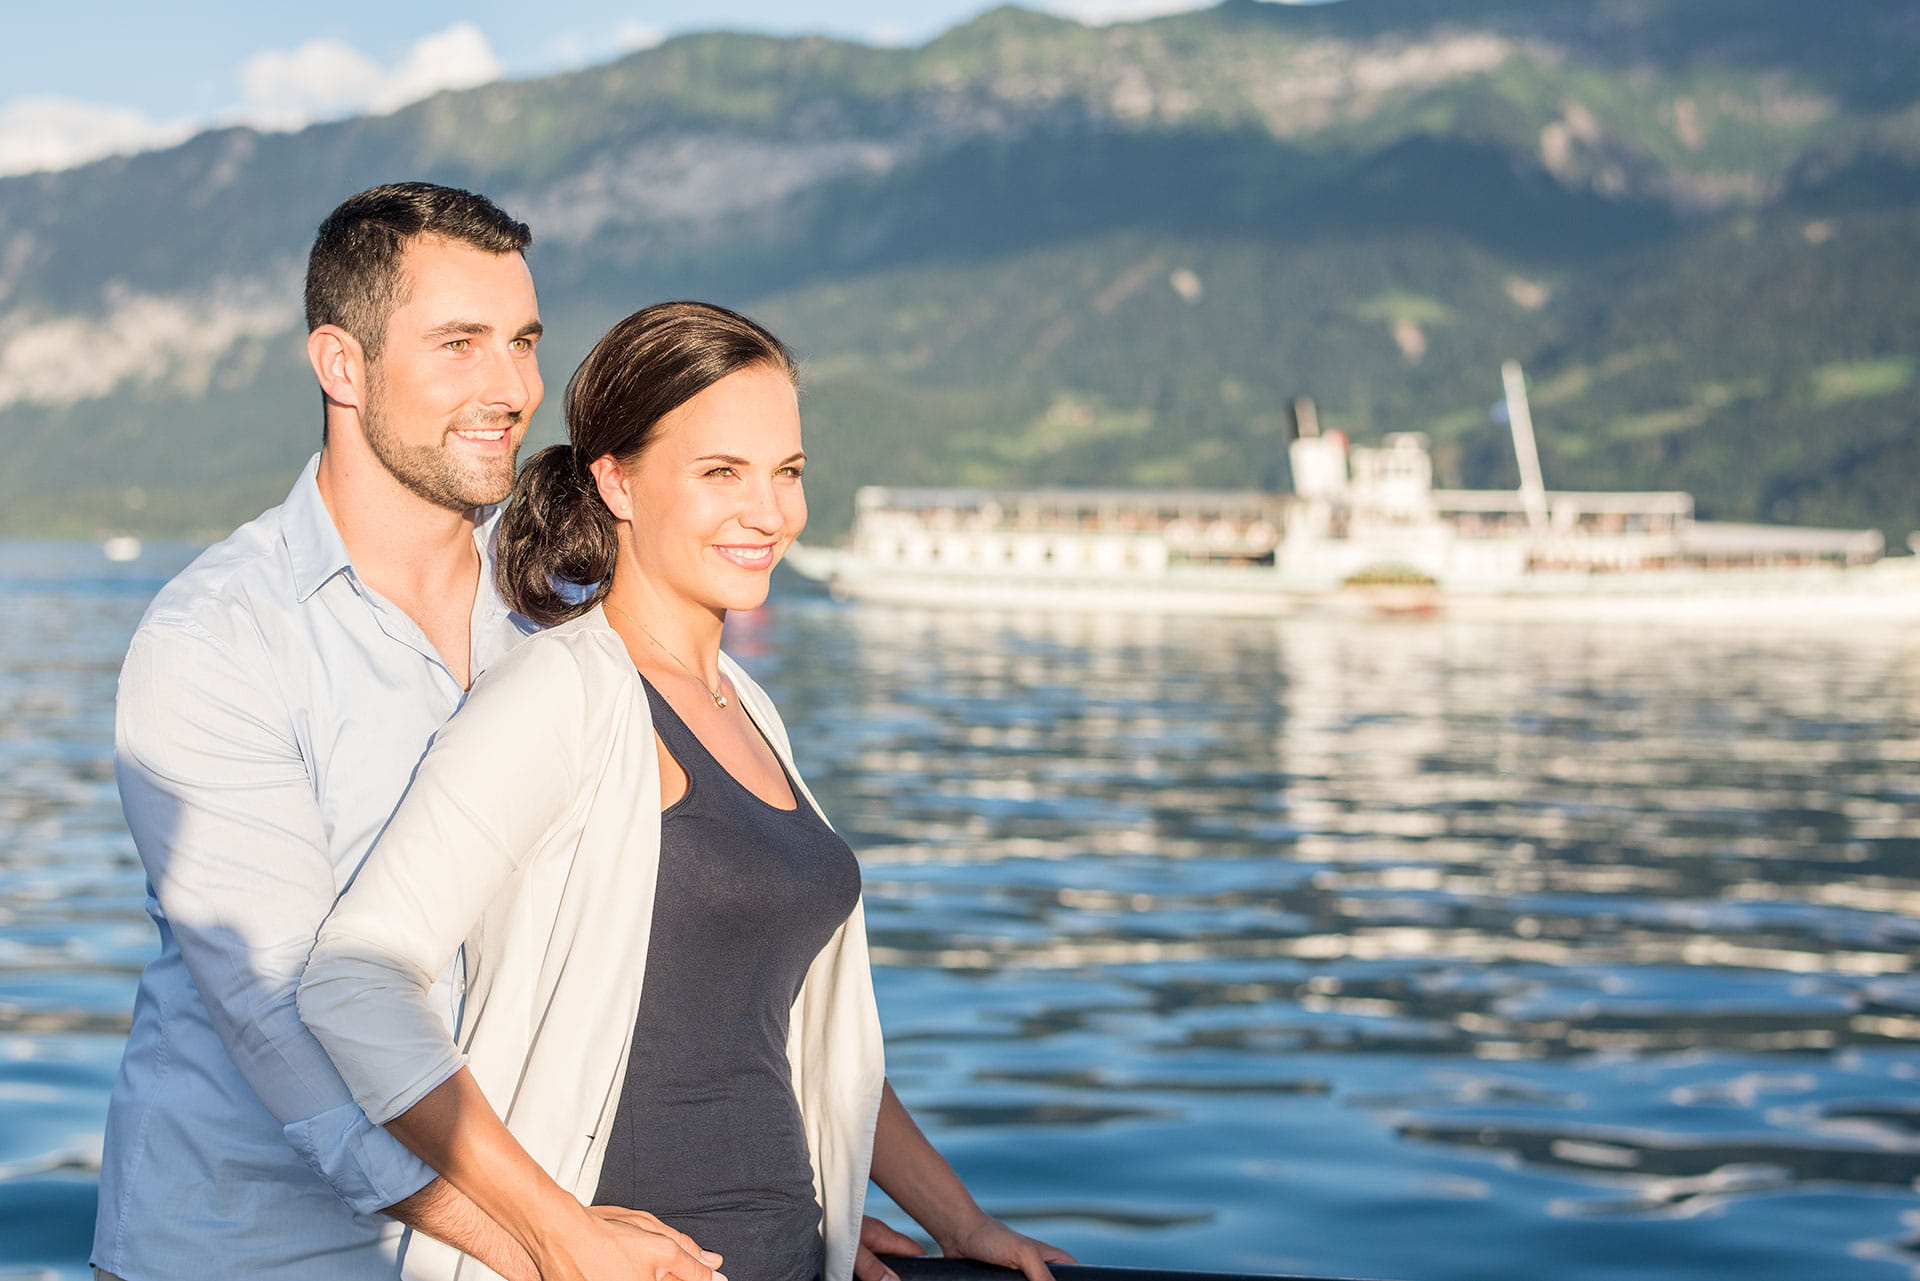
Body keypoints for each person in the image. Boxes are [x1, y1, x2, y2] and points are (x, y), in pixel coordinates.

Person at [298, 301, 1078, 1281]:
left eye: (787, 472)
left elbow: (808, 1036)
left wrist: (956, 1222)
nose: (770, 513)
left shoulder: (745, 704)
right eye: (721, 473)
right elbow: (352, 980)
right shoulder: (560, 693)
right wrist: (556, 1232)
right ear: (616, 481)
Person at [95, 182, 553, 1280]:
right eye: (460, 343)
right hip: (244, 1256)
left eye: (524, 342)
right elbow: (282, 1024)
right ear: (341, 365)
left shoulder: (559, 619)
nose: (510, 388)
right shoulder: (216, 640)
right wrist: (551, 1244)